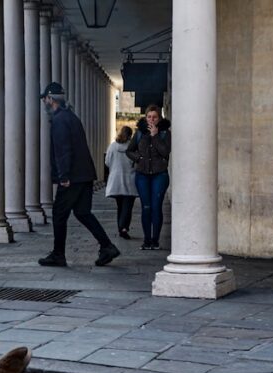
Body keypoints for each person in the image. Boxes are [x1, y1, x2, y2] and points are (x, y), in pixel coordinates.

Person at [38, 82, 119, 268]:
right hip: (84, 175)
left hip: (72, 177)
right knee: (82, 212)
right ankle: (107, 246)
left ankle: (58, 254)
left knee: (59, 213)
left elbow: (63, 150)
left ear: (51, 99)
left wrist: (63, 176)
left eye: (45, 99)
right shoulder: (71, 117)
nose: (44, 103)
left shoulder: (59, 120)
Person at [126, 104, 172, 250]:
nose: (151, 119)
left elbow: (165, 152)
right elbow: (129, 150)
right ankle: (147, 240)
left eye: (155, 117)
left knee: (156, 207)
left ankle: (155, 240)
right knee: (146, 207)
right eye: (149, 117)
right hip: (142, 175)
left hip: (160, 174)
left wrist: (155, 135)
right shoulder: (139, 133)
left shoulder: (165, 133)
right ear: (146, 118)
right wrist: (138, 158)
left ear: (159, 118)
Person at [104, 126, 138, 240]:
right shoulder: (132, 146)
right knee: (128, 206)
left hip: (116, 180)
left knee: (120, 205)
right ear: (130, 135)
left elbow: (107, 162)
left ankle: (121, 227)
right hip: (129, 180)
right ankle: (123, 227)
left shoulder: (113, 146)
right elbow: (137, 161)